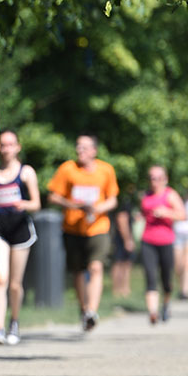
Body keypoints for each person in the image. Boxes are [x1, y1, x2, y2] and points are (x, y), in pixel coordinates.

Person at [47, 134, 119, 332]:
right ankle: (84, 308)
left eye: (85, 148)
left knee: (96, 267)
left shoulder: (106, 170)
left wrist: (98, 209)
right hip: (72, 228)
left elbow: (113, 199)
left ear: (94, 151)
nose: (80, 151)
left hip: (98, 227)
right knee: (78, 271)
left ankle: (92, 311)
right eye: (78, 147)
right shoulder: (67, 169)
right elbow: (53, 196)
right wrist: (71, 204)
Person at [0, 129, 41, 344]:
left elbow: (36, 203)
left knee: (15, 283)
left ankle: (14, 322)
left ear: (18, 147)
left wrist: (23, 204)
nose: (6, 149)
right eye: (3, 145)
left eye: (10, 145)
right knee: (0, 278)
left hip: (20, 229)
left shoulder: (26, 173)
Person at [139, 166, 186, 324]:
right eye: (152, 178)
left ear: (165, 179)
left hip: (166, 241)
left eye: (158, 178)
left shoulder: (170, 195)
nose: (155, 181)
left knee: (166, 280)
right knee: (150, 276)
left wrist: (166, 212)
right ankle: (152, 312)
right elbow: (142, 213)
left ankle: (166, 303)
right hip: (147, 241)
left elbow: (183, 215)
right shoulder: (145, 195)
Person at [109, 194, 137, 298]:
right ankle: (119, 290)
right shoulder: (124, 200)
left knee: (123, 263)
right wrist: (128, 240)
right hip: (121, 238)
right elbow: (122, 219)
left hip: (120, 237)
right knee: (120, 263)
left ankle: (122, 289)